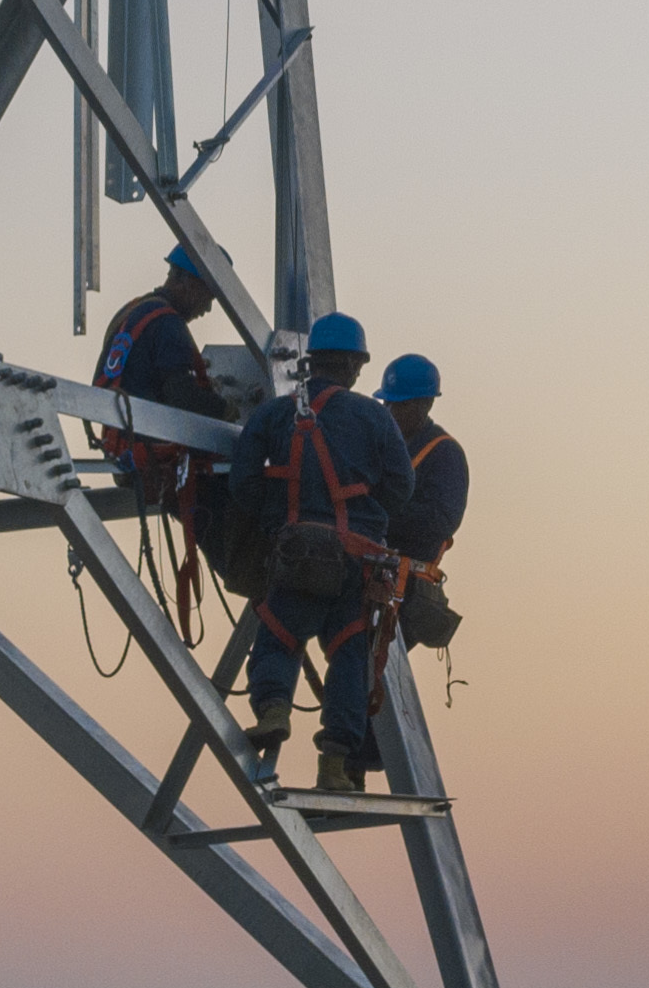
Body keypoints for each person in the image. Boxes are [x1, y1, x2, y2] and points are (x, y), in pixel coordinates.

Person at [228, 311, 411, 790]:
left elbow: (243, 481)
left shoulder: (275, 414)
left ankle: (273, 709)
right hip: (356, 561)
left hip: (296, 557)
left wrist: (281, 520)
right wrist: (366, 515)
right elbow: (401, 486)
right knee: (351, 652)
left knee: (278, 635)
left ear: (312, 362)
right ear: (354, 364)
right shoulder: (374, 417)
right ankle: (334, 765)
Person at [92, 244, 235, 524]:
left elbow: (139, 373)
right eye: (208, 296)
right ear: (187, 282)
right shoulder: (169, 323)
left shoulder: (132, 311)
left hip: (121, 448)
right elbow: (181, 396)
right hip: (153, 457)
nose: (206, 309)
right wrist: (225, 409)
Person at [378, 353, 463, 564]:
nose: (389, 411)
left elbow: (441, 520)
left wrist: (379, 514)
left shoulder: (445, 454)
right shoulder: (378, 444)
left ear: (426, 404)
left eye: (400, 405)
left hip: (409, 584)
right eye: (386, 403)